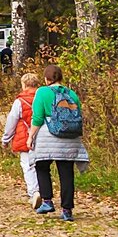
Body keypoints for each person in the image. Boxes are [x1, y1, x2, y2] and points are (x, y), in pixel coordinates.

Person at [28, 64, 90, 222]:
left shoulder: (42, 92)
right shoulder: (71, 94)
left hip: (48, 137)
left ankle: (47, 201)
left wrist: (30, 137)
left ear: (46, 79)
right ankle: (67, 210)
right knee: (66, 173)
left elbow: (37, 118)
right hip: (70, 138)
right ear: (61, 77)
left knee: (41, 167)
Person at [1, 72, 42, 207]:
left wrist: (6, 139)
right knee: (41, 166)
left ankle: (34, 192)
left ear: (24, 85)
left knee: (28, 165)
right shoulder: (42, 98)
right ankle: (44, 191)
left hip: (25, 137)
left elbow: (11, 121)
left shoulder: (20, 101)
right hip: (43, 137)